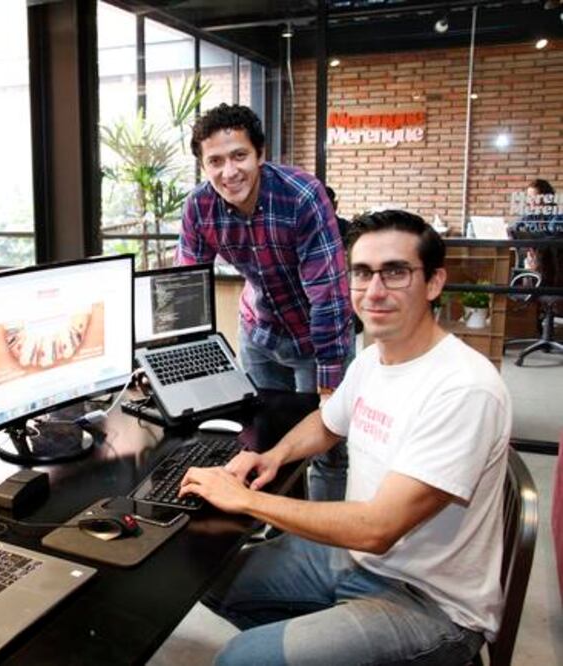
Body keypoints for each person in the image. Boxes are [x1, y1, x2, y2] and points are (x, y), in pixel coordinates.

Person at [180, 209, 510, 665]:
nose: (374, 291)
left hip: (427, 602)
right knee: (207, 576)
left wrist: (247, 500)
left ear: (434, 283)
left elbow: (377, 528)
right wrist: (273, 457)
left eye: (395, 273)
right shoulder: (374, 358)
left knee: (242, 660)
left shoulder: (463, 388)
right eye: (361, 273)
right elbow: (328, 422)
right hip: (354, 559)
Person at [177, 103, 353, 501]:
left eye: (239, 156)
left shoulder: (301, 195)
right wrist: (175, 361)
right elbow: (186, 289)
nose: (229, 171)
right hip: (259, 333)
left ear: (260, 154)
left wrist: (329, 384)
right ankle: (276, 525)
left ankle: (321, 543)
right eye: (215, 161)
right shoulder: (199, 207)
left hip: (317, 339)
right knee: (260, 441)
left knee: (327, 447)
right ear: (203, 166)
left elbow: (328, 295)